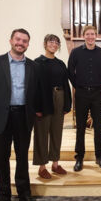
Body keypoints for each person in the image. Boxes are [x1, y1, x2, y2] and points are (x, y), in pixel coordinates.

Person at [0, 28, 39, 201]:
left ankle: (24, 193)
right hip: (1, 118)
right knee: (1, 159)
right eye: (18, 39)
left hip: (23, 116)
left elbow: (35, 92)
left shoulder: (33, 66)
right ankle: (4, 198)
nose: (20, 43)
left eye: (24, 41)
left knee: (22, 157)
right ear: (11, 40)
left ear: (28, 44)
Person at [68, 26, 101, 171]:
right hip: (81, 94)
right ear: (83, 36)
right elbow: (70, 71)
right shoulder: (75, 52)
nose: (90, 37)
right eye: (88, 34)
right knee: (80, 127)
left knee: (98, 127)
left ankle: (100, 156)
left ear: (96, 36)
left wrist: (99, 87)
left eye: (92, 34)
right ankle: (79, 158)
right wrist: (78, 86)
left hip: (97, 94)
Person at [33, 34, 72, 179]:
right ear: (45, 44)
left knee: (57, 132)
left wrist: (67, 103)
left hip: (60, 97)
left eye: (56, 42)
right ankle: (42, 167)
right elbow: (34, 87)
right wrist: (36, 107)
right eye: (51, 41)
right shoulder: (37, 63)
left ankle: (55, 164)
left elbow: (65, 85)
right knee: (42, 133)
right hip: (44, 99)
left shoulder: (61, 64)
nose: (54, 44)